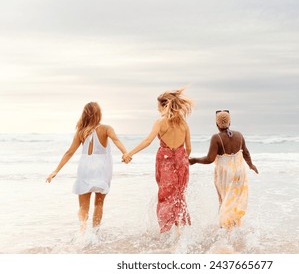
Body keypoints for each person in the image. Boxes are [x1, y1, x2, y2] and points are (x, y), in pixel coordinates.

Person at [46, 102, 128, 233]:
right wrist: (125, 153)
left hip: (85, 168)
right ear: (99, 114)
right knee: (99, 203)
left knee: (83, 207)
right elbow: (116, 140)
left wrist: (56, 170)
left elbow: (69, 152)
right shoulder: (106, 128)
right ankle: (95, 233)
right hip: (102, 168)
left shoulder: (81, 132)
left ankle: (82, 232)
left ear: (84, 115)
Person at [122, 89, 193, 233]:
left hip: (165, 161)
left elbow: (148, 141)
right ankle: (179, 229)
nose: (156, 108)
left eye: (158, 105)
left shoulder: (160, 122)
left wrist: (130, 153)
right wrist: (181, 159)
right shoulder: (184, 124)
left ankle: (166, 229)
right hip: (181, 161)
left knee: (165, 195)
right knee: (179, 194)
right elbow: (189, 148)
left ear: (163, 105)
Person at [189, 110, 258, 229]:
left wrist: (194, 160)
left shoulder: (216, 138)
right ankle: (235, 226)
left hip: (225, 173)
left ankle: (224, 228)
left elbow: (210, 159)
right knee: (234, 200)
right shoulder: (239, 135)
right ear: (230, 122)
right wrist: (251, 165)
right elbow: (245, 152)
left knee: (223, 199)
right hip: (239, 171)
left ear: (217, 124)